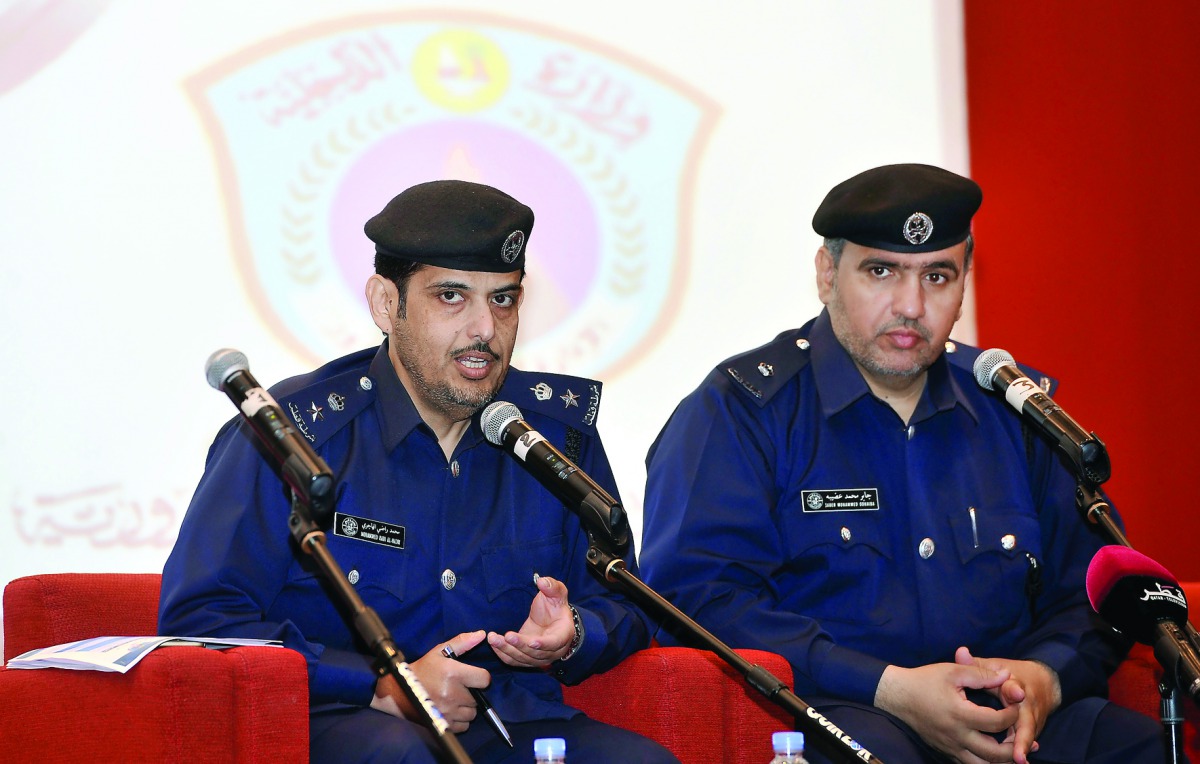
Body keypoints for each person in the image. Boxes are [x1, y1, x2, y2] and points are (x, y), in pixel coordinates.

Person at [638, 164, 1165, 763]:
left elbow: (1095, 590)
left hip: (1010, 721)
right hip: (837, 712)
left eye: (937, 276)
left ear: (965, 280)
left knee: (1143, 748)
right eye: (881, 271)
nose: (911, 305)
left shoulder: (1018, 413)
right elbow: (695, 599)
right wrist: (890, 687)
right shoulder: (742, 412)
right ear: (826, 274)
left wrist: (1045, 679)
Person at [159, 180, 678, 764]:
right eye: (452, 297)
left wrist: (573, 633)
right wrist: (378, 684)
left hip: (507, 722)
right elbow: (200, 618)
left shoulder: (552, 440)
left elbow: (630, 603)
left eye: (504, 299)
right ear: (386, 303)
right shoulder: (293, 437)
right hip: (349, 722)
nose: (485, 327)